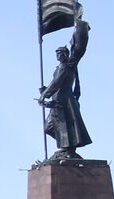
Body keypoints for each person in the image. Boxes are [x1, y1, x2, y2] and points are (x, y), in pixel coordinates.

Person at [39, 19, 91, 161]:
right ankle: (66, 148)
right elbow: (54, 84)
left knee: (64, 125)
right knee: (51, 127)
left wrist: (45, 94)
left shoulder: (66, 66)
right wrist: (45, 91)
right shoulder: (59, 68)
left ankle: (68, 149)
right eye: (56, 54)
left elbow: (56, 83)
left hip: (65, 100)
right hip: (58, 100)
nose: (58, 56)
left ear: (65, 54)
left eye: (60, 53)